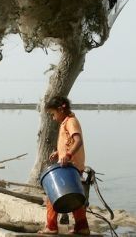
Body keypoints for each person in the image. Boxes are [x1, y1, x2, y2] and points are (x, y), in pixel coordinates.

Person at [39, 96, 90, 235]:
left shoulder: (71, 122)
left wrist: (67, 155)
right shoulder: (65, 122)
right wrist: (59, 152)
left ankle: (51, 227)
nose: (53, 118)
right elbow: (68, 142)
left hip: (70, 166)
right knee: (74, 195)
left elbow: (77, 141)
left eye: (53, 114)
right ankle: (82, 227)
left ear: (61, 109)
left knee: (53, 195)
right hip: (70, 166)